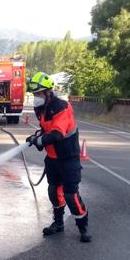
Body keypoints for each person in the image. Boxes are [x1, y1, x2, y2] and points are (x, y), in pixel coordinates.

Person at [25, 72, 91, 243]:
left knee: (70, 194)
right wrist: (37, 135)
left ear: (48, 92)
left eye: (38, 94)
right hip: (52, 158)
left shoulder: (61, 106)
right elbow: (46, 129)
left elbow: (57, 134)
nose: (36, 97)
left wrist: (38, 140)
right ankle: (58, 223)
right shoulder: (41, 108)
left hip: (68, 158)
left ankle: (83, 227)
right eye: (34, 94)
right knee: (54, 191)